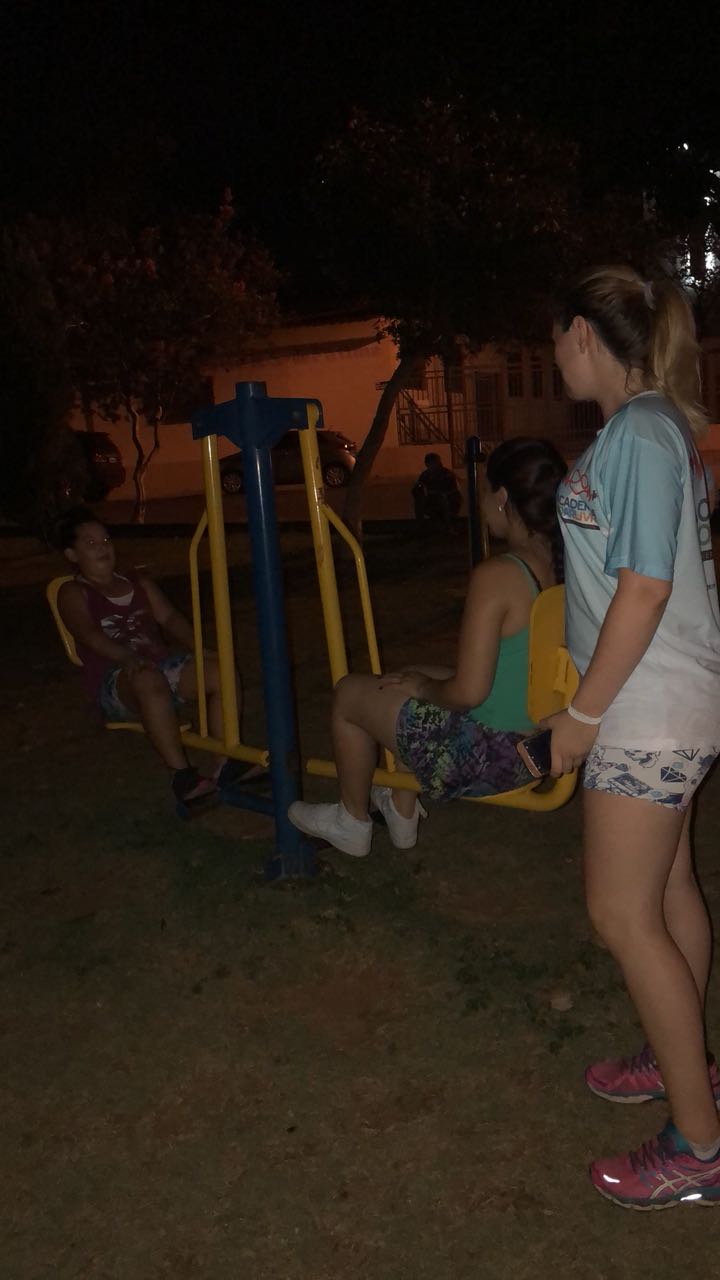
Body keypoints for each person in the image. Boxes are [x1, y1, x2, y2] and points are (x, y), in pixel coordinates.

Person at [547, 266, 720, 1209]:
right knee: (668, 890)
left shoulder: (644, 432)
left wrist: (582, 718)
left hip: (647, 711)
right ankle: (677, 1056)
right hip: (662, 702)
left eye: (554, 337)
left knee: (621, 914)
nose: (553, 356)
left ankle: (700, 1146)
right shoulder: (646, 431)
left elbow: (645, 589)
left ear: (581, 331)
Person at [288, 438, 567, 856]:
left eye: (483, 491)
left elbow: (467, 693)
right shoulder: (562, 564)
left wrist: (422, 689)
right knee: (410, 677)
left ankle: (351, 820)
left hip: (490, 758)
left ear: (503, 498)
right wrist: (420, 682)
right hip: (539, 747)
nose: (479, 503)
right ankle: (401, 814)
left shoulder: (499, 575)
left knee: (349, 693)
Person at [56, 507, 263, 809]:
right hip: (116, 681)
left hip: (158, 669)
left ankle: (226, 761)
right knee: (147, 677)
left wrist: (199, 647)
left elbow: (169, 617)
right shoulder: (73, 592)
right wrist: (126, 657)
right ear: (72, 554)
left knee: (220, 670)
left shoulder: (138, 583)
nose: (103, 548)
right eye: (91, 543)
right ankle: (182, 776)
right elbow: (88, 634)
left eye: (106, 540)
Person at [411, 452, 462, 530]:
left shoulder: (447, 474)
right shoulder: (425, 475)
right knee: (419, 500)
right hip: (432, 500)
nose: (431, 465)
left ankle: (448, 525)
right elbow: (418, 488)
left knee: (442, 499)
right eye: (429, 463)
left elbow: (453, 491)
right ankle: (420, 525)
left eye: (433, 463)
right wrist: (418, 489)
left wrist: (439, 494)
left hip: (448, 500)